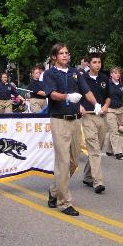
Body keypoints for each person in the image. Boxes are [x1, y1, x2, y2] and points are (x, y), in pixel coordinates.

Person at [43, 43, 102, 216]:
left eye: (67, 53)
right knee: (63, 162)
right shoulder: (49, 73)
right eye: (61, 53)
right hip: (59, 120)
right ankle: (64, 202)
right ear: (54, 56)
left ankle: (54, 190)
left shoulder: (76, 73)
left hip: (76, 121)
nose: (65, 56)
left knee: (74, 162)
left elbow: (86, 90)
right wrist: (67, 96)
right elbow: (52, 94)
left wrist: (95, 103)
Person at [80, 54, 110, 194]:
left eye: (99, 62)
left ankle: (87, 175)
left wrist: (106, 106)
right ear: (88, 64)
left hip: (102, 116)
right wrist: (80, 106)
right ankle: (98, 181)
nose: (98, 64)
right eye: (94, 62)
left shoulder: (104, 78)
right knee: (94, 148)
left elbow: (109, 96)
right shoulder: (82, 78)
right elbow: (77, 95)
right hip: (88, 116)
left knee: (98, 147)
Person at [105, 67, 123, 159]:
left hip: (119, 110)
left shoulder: (122, 86)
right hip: (110, 110)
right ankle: (118, 152)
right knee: (114, 131)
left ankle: (109, 149)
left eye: (119, 73)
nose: (117, 74)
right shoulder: (107, 84)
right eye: (115, 73)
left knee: (114, 130)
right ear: (111, 74)